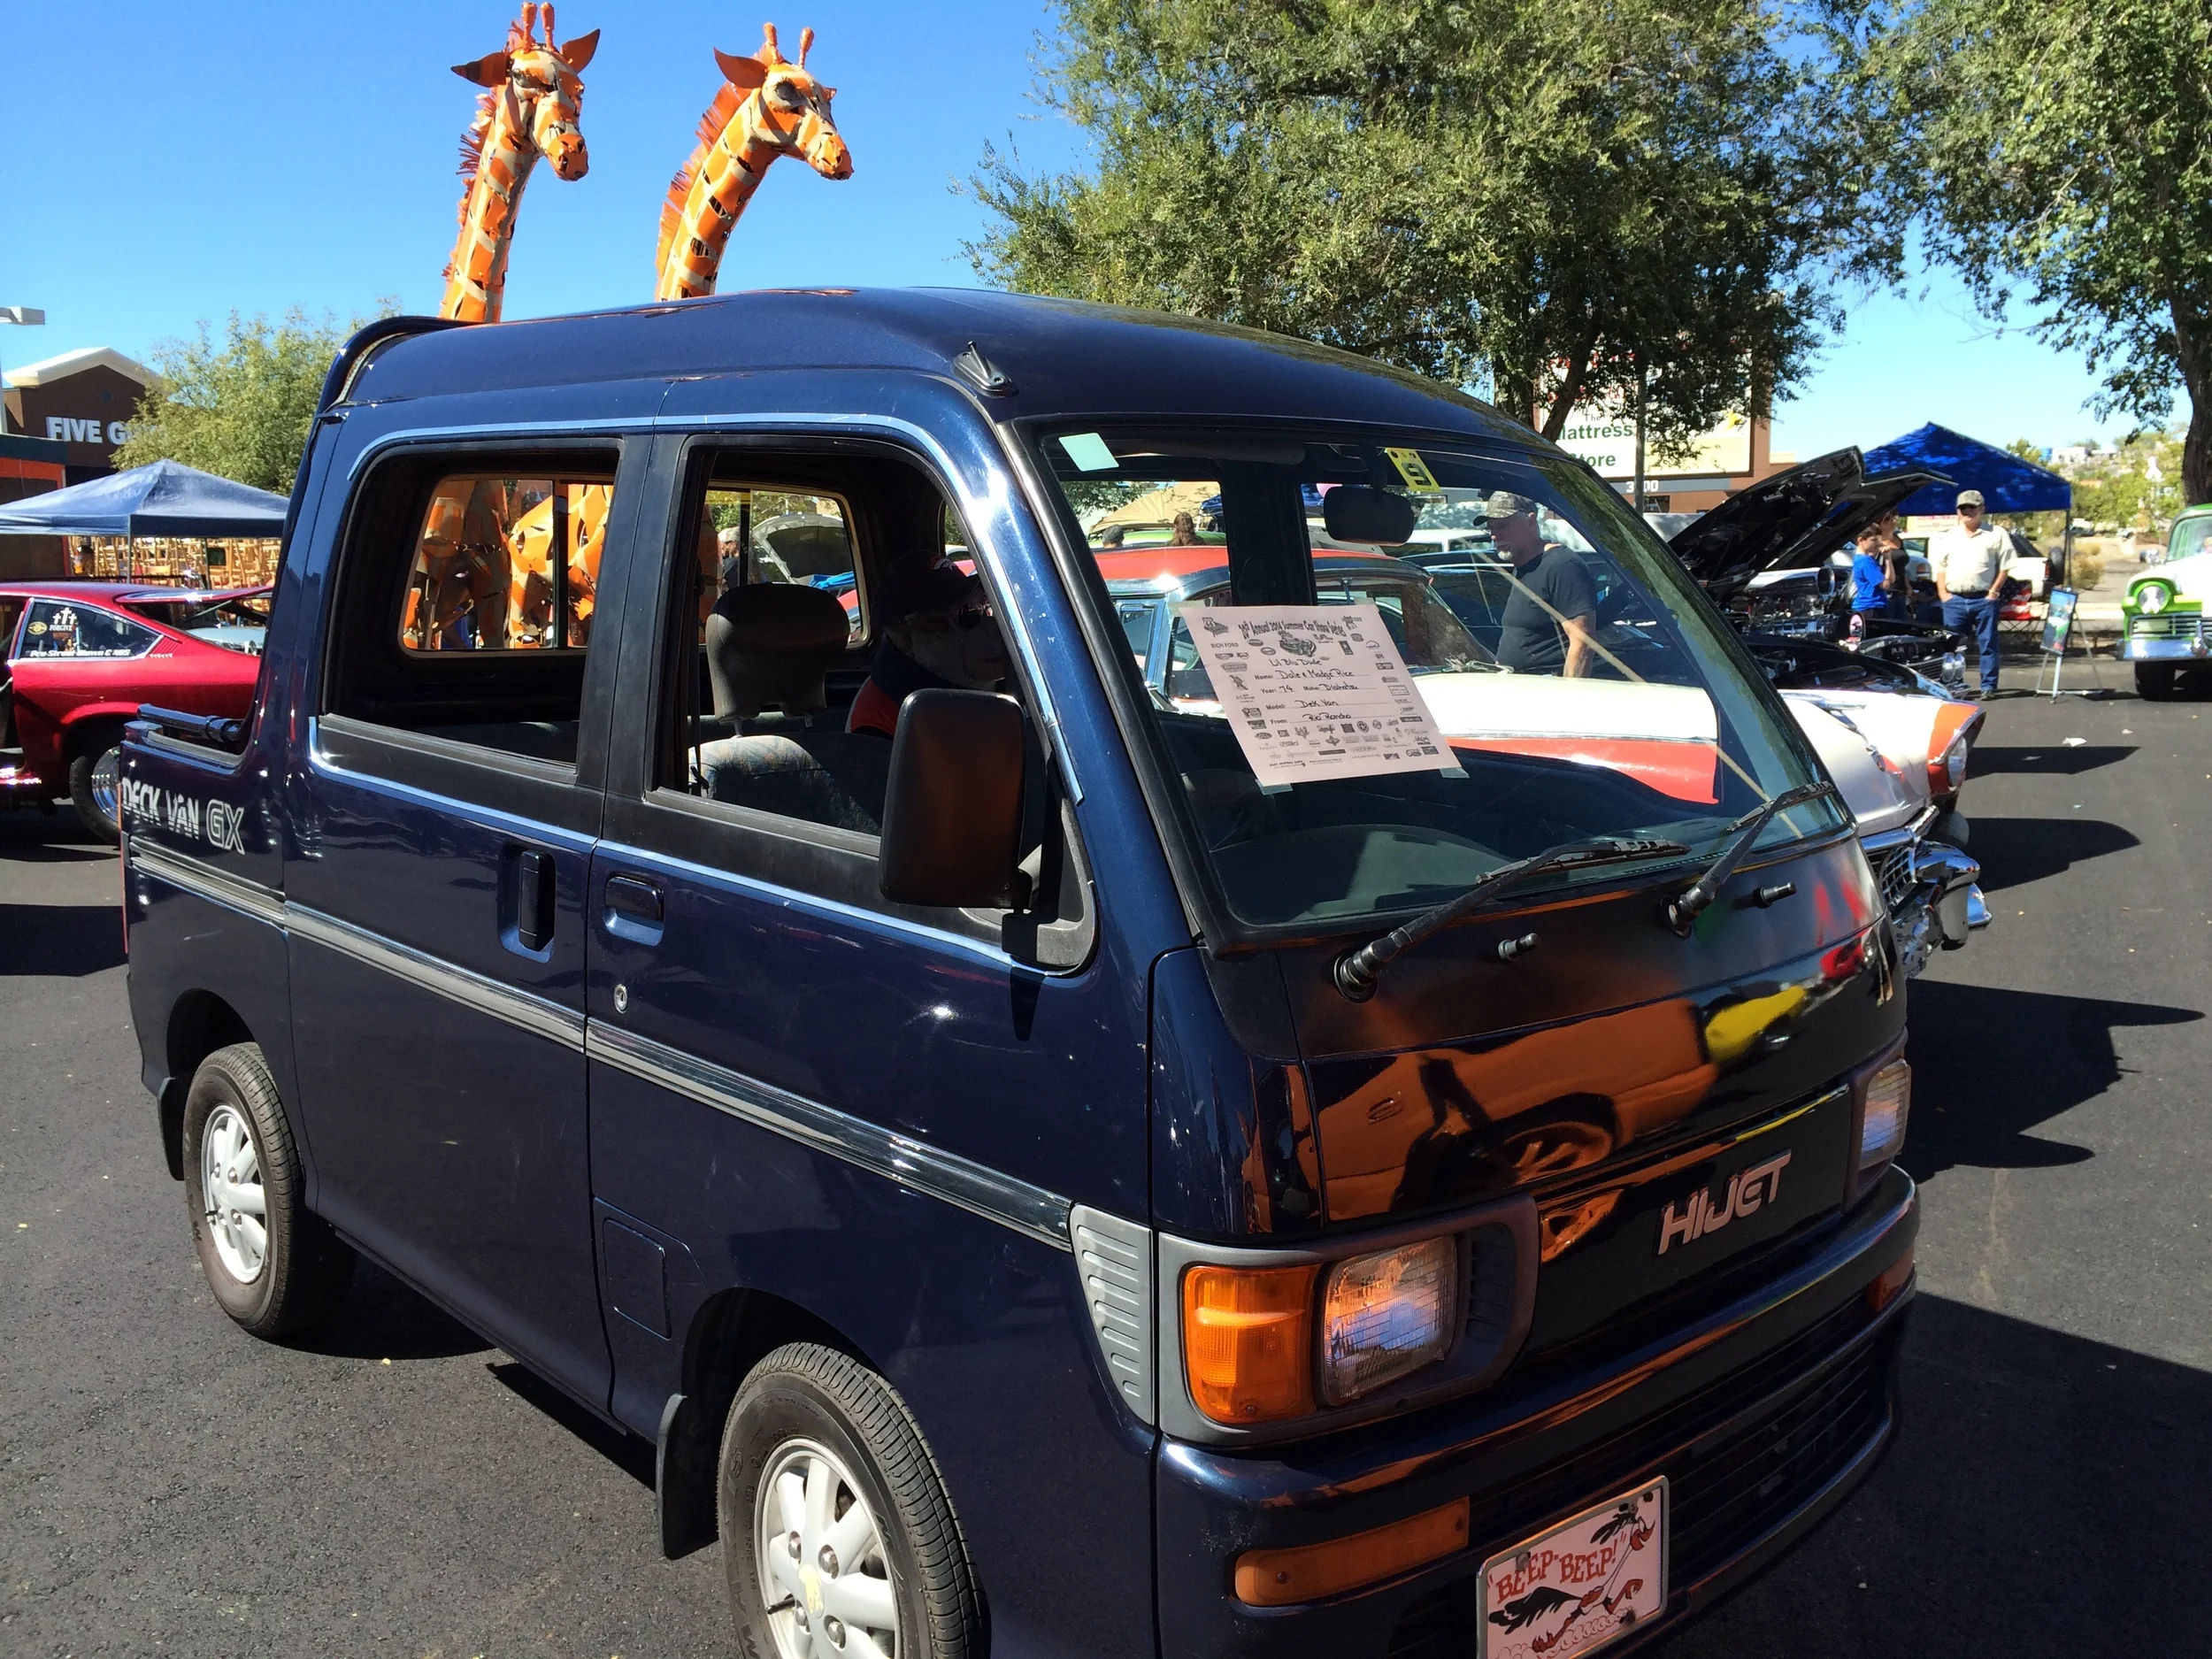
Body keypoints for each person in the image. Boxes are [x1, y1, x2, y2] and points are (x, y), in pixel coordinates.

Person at [847, 558, 1010, 737]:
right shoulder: (879, 722)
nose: (991, 626)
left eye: (983, 607)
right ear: (904, 636)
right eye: (968, 613)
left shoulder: (953, 696)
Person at [1488, 490, 1596, 676]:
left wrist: (1571, 691)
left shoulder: (1562, 565)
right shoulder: (1523, 567)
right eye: (1491, 528)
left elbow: (1582, 641)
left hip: (1546, 687)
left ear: (1531, 522)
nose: (1494, 536)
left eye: (1503, 526)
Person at [1932, 488, 2010, 696]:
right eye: (1963, 508)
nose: (1967, 512)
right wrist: (1943, 594)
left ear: (1982, 509)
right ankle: (1954, 685)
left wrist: (1994, 591)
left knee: (1988, 645)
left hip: (1984, 599)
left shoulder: (1996, 534)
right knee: (1952, 647)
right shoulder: (1949, 536)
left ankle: (1988, 686)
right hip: (1954, 600)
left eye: (1972, 507)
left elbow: (2006, 566)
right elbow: (1940, 566)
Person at [1849, 509, 1902, 626]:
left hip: (1875, 606)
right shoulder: (1865, 562)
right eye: (1874, 540)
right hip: (1869, 608)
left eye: (1879, 540)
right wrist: (1886, 580)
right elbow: (1885, 585)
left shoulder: (1867, 560)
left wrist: (1888, 558)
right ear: (1861, 540)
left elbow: (1891, 580)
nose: (1878, 544)